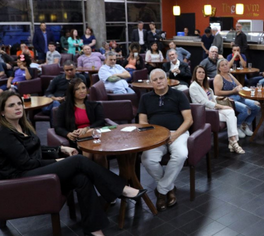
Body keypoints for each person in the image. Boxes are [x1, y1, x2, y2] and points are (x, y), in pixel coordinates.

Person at [0, 91, 146, 236]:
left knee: (81, 178)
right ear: (2, 111)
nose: (18, 107)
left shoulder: (23, 125)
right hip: (19, 179)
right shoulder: (4, 133)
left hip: (33, 170)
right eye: (11, 105)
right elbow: (26, 163)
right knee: (78, 160)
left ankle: (93, 229)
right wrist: (57, 160)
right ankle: (121, 189)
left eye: (19, 103)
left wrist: (60, 148)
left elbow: (36, 149)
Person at [139, 69, 193, 211]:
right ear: (151, 82)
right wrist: (155, 136)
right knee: (147, 158)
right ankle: (169, 188)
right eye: (155, 79)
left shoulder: (179, 95)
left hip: (178, 133)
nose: (159, 81)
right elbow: (143, 122)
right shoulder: (145, 98)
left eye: (161, 78)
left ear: (166, 79)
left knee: (181, 154)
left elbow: (189, 120)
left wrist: (174, 136)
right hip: (156, 135)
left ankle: (161, 191)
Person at [190, 66, 244, 154]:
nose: (201, 74)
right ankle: (233, 142)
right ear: (195, 74)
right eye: (199, 72)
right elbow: (204, 102)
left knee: (232, 114)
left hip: (213, 110)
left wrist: (223, 98)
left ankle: (233, 141)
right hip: (206, 113)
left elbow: (210, 97)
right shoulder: (193, 87)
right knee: (231, 115)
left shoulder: (204, 85)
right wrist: (221, 106)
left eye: (203, 72)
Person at [55, 78, 107, 165]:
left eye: (83, 88)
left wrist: (87, 128)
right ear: (72, 92)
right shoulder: (64, 108)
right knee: (88, 151)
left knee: (98, 154)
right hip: (77, 138)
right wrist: (68, 134)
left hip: (94, 135)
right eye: (77, 89)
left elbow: (101, 121)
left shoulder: (95, 105)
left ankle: (100, 176)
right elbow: (58, 127)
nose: (82, 91)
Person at [214, 59, 259, 138]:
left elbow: (240, 85)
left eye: (226, 64)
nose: (225, 66)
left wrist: (238, 89)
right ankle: (237, 126)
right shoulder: (218, 77)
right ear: (219, 68)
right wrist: (232, 91)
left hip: (238, 96)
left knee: (257, 106)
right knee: (246, 109)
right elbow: (217, 92)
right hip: (228, 99)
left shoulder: (229, 74)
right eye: (222, 65)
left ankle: (245, 125)